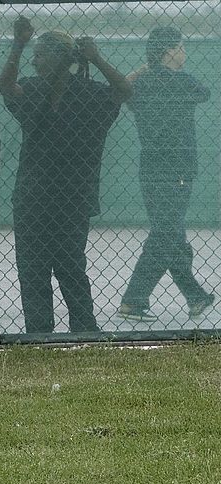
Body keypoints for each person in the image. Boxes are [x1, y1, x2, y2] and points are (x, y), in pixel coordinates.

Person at [0, 18, 131, 334]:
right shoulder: (33, 89)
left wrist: (96, 58)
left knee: (70, 266)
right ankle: (39, 332)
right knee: (33, 271)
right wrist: (17, 44)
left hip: (71, 196)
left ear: (60, 57)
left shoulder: (88, 94)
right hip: (35, 197)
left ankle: (84, 330)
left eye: (40, 54)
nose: (34, 60)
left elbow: (125, 90)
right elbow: (6, 87)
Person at [118, 27, 214, 323]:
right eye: (181, 47)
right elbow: (205, 93)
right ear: (170, 50)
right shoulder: (183, 82)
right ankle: (133, 301)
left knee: (171, 234)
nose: (185, 53)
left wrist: (146, 69)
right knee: (166, 234)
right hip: (179, 169)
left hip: (152, 169)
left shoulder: (141, 84)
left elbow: (122, 90)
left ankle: (195, 296)